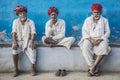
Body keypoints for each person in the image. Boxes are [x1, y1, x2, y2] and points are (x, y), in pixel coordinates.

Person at [78, 3, 111, 76]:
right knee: (85, 46)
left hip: (100, 38)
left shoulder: (105, 20)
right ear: (92, 12)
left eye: (98, 12)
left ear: (100, 12)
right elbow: (84, 31)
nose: (96, 14)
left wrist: (101, 39)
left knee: (104, 47)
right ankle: (94, 67)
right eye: (94, 12)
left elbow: (107, 32)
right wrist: (90, 39)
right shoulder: (87, 20)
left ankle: (92, 67)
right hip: (89, 38)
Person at [42, 6, 75, 76]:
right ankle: (57, 43)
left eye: (55, 14)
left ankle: (55, 44)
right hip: (51, 40)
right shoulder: (47, 23)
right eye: (52, 15)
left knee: (72, 39)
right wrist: (50, 27)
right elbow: (47, 35)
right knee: (44, 38)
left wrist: (54, 39)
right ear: (50, 15)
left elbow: (62, 35)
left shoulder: (62, 21)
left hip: (59, 40)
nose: (53, 16)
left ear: (57, 14)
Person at [12, 5, 37, 77]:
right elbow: (14, 33)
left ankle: (32, 68)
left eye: (24, 13)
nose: (22, 14)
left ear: (26, 13)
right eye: (20, 13)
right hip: (18, 40)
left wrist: (32, 41)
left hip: (28, 40)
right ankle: (16, 69)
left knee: (33, 48)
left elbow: (33, 33)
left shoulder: (30, 21)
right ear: (18, 15)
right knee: (14, 49)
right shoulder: (15, 22)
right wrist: (15, 42)